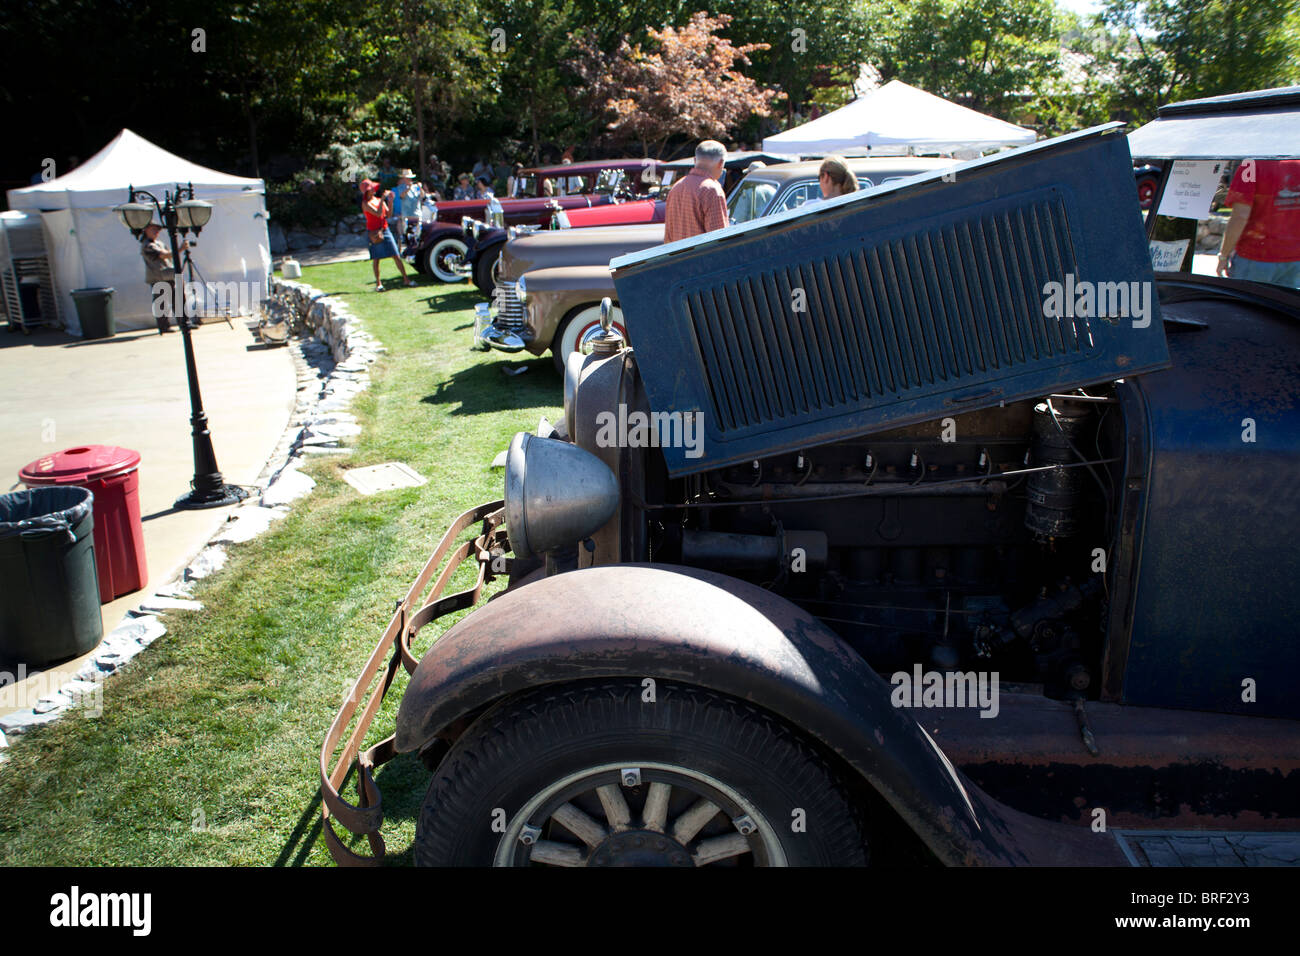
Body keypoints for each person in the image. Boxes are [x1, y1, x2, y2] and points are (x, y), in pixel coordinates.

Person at [1216, 158, 1300, 289]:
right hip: (1295, 258)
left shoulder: (1251, 165)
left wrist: (1223, 256)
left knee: (1247, 308)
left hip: (1255, 256)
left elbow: (1240, 216)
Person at [664, 140, 729, 244]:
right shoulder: (712, 190)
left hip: (678, 258)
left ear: (695, 160)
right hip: (702, 258)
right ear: (721, 163)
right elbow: (719, 239)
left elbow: (668, 236)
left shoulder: (677, 187)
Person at [360, 179, 416, 292]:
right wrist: (382, 200)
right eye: (371, 189)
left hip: (385, 230)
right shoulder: (365, 204)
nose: (374, 190)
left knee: (395, 254)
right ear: (367, 191)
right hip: (374, 232)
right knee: (376, 258)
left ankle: (406, 279)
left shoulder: (377, 199)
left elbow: (388, 215)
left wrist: (390, 201)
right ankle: (378, 284)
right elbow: (377, 213)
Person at [140, 222, 182, 334]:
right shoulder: (147, 245)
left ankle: (183, 323)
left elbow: (167, 256)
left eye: (157, 230)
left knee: (176, 300)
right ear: (146, 230)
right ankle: (164, 326)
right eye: (153, 229)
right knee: (161, 303)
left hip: (167, 275)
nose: (156, 232)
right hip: (157, 278)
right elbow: (163, 255)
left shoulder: (158, 243)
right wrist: (180, 250)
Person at [391, 168, 422, 237]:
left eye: (410, 178)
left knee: (419, 227)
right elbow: (402, 196)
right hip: (406, 214)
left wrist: (420, 188)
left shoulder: (416, 187)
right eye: (408, 178)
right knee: (404, 225)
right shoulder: (400, 187)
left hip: (416, 213)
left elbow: (422, 196)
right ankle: (403, 237)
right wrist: (408, 188)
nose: (409, 179)